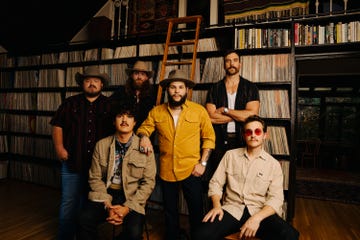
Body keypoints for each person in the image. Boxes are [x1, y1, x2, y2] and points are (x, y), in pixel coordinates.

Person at [136, 69, 216, 240]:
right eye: (173, 87)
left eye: (181, 87)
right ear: (167, 90)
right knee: (170, 211)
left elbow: (209, 138)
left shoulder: (199, 111)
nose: (177, 91)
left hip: (192, 169)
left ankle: (197, 237)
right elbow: (144, 128)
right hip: (166, 169)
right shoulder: (157, 111)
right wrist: (144, 137)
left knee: (196, 210)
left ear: (187, 90)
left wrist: (202, 164)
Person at [193, 115, 299, 240]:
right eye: (249, 132)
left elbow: (276, 198)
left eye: (258, 131)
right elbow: (215, 183)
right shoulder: (230, 156)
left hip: (259, 211)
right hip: (231, 210)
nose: (253, 135)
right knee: (200, 235)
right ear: (244, 136)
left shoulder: (273, 165)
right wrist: (217, 206)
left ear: (265, 135)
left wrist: (256, 219)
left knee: (291, 235)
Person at [50, 65, 114, 239]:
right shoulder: (70, 103)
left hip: (98, 167)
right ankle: (65, 237)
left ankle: (83, 236)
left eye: (95, 81)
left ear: (102, 85)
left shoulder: (110, 105)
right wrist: (59, 148)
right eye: (88, 80)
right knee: (69, 201)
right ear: (82, 84)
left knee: (89, 203)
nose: (91, 84)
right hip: (72, 161)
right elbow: (57, 125)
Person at [77, 102, 156, 240]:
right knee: (84, 219)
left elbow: (148, 182)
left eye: (129, 117)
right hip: (106, 193)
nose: (124, 120)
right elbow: (94, 178)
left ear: (135, 122)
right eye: (120, 116)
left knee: (134, 233)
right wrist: (107, 204)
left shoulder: (145, 148)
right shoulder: (101, 145)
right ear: (114, 121)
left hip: (132, 196)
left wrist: (127, 207)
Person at [205, 49, 260, 178]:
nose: (231, 64)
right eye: (228, 61)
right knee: (218, 177)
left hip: (242, 139)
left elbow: (252, 116)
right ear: (224, 64)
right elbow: (210, 117)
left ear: (240, 64)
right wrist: (238, 116)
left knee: (241, 177)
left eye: (235, 60)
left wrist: (226, 110)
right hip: (218, 140)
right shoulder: (215, 88)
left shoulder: (250, 87)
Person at [110, 60, 156, 131]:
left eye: (142, 74)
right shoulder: (120, 92)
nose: (139, 77)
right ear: (131, 75)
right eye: (136, 73)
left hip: (146, 135)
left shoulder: (153, 94)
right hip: (123, 134)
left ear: (147, 77)